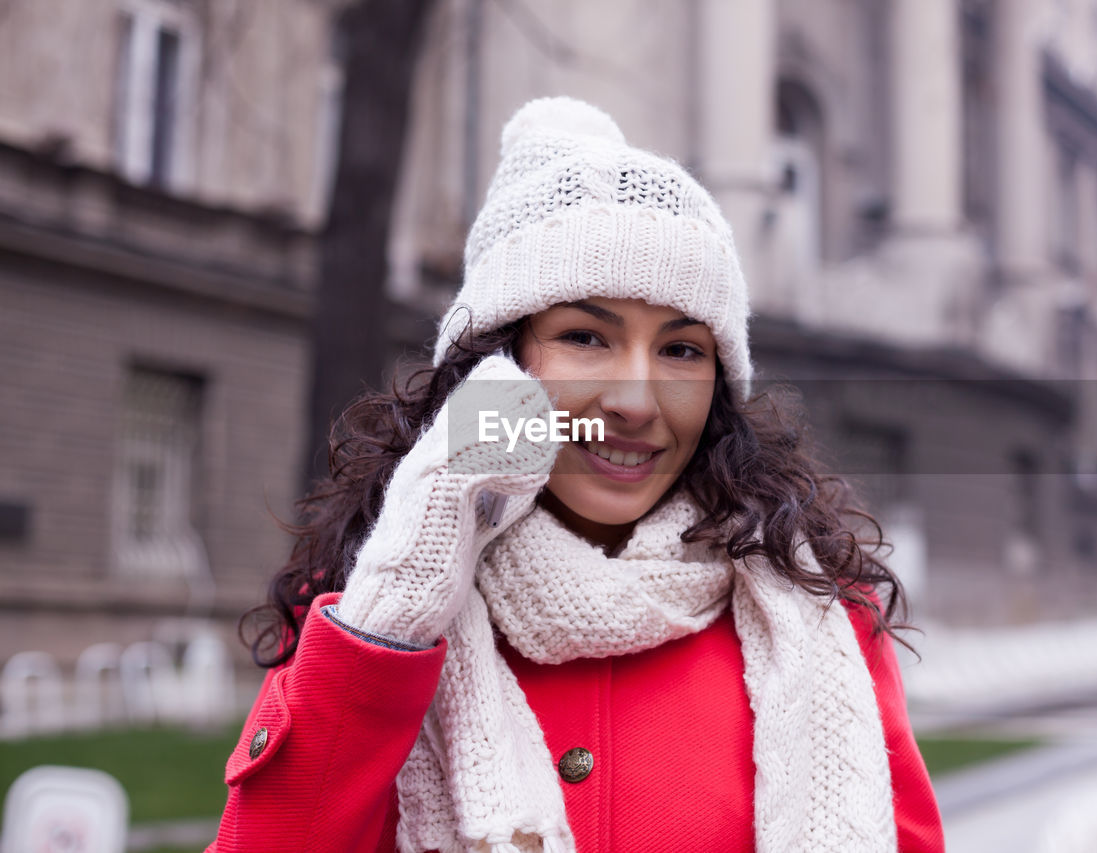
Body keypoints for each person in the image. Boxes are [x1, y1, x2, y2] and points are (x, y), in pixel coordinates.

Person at [209, 97, 944, 853]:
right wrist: (396, 608)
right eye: (586, 337)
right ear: (499, 364)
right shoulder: (366, 611)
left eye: (683, 350)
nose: (634, 401)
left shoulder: (821, 613)